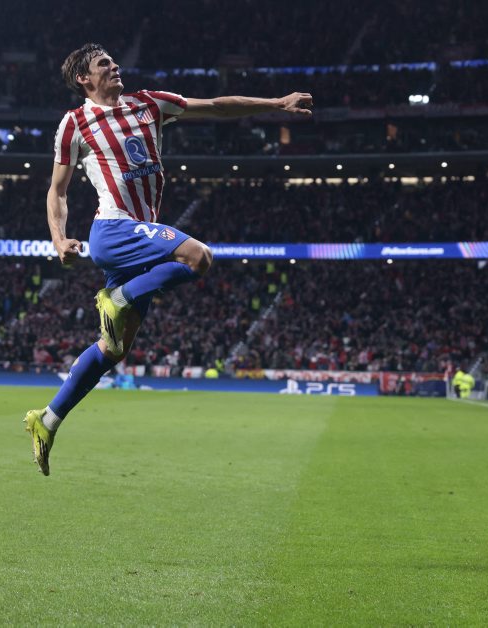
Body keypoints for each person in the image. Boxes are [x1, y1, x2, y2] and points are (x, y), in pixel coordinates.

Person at [23, 43, 313, 475]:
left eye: (113, 60)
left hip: (140, 239)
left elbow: (216, 106)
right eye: (104, 63)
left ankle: (47, 420)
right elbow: (57, 190)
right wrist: (58, 238)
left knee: (112, 349)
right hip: (113, 230)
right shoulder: (75, 123)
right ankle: (118, 299)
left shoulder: (148, 104)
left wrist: (276, 103)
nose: (115, 66)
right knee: (199, 257)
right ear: (84, 78)